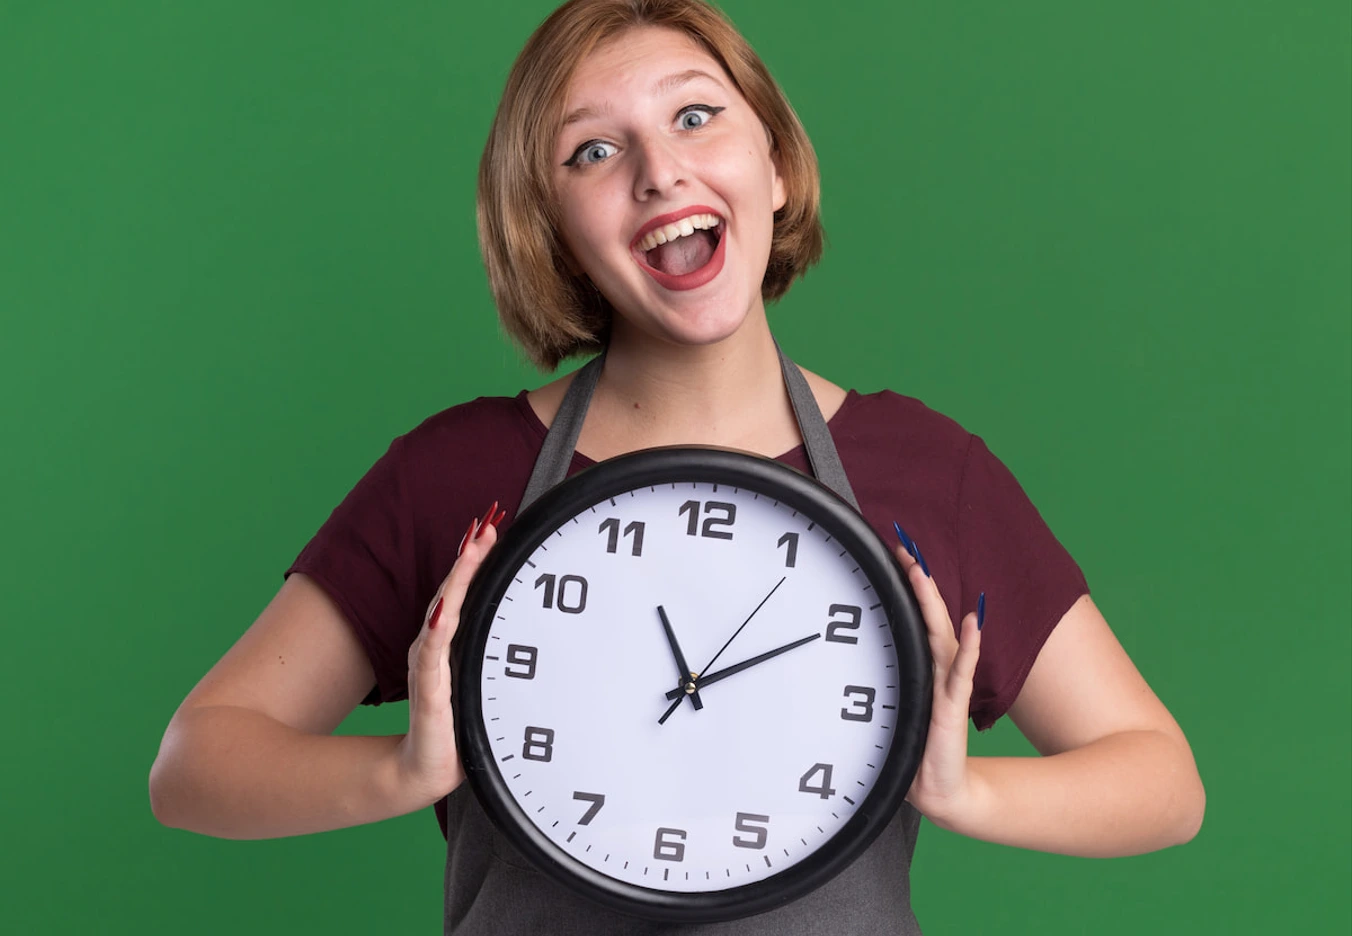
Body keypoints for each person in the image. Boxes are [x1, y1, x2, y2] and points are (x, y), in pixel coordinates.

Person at [148, 1, 1206, 932]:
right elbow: (195, 765)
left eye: (695, 116)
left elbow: (1162, 783)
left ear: (776, 166)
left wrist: (961, 790)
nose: (660, 171)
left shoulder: (924, 471)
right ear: (554, 233)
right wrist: (404, 768)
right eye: (592, 153)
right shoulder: (456, 473)